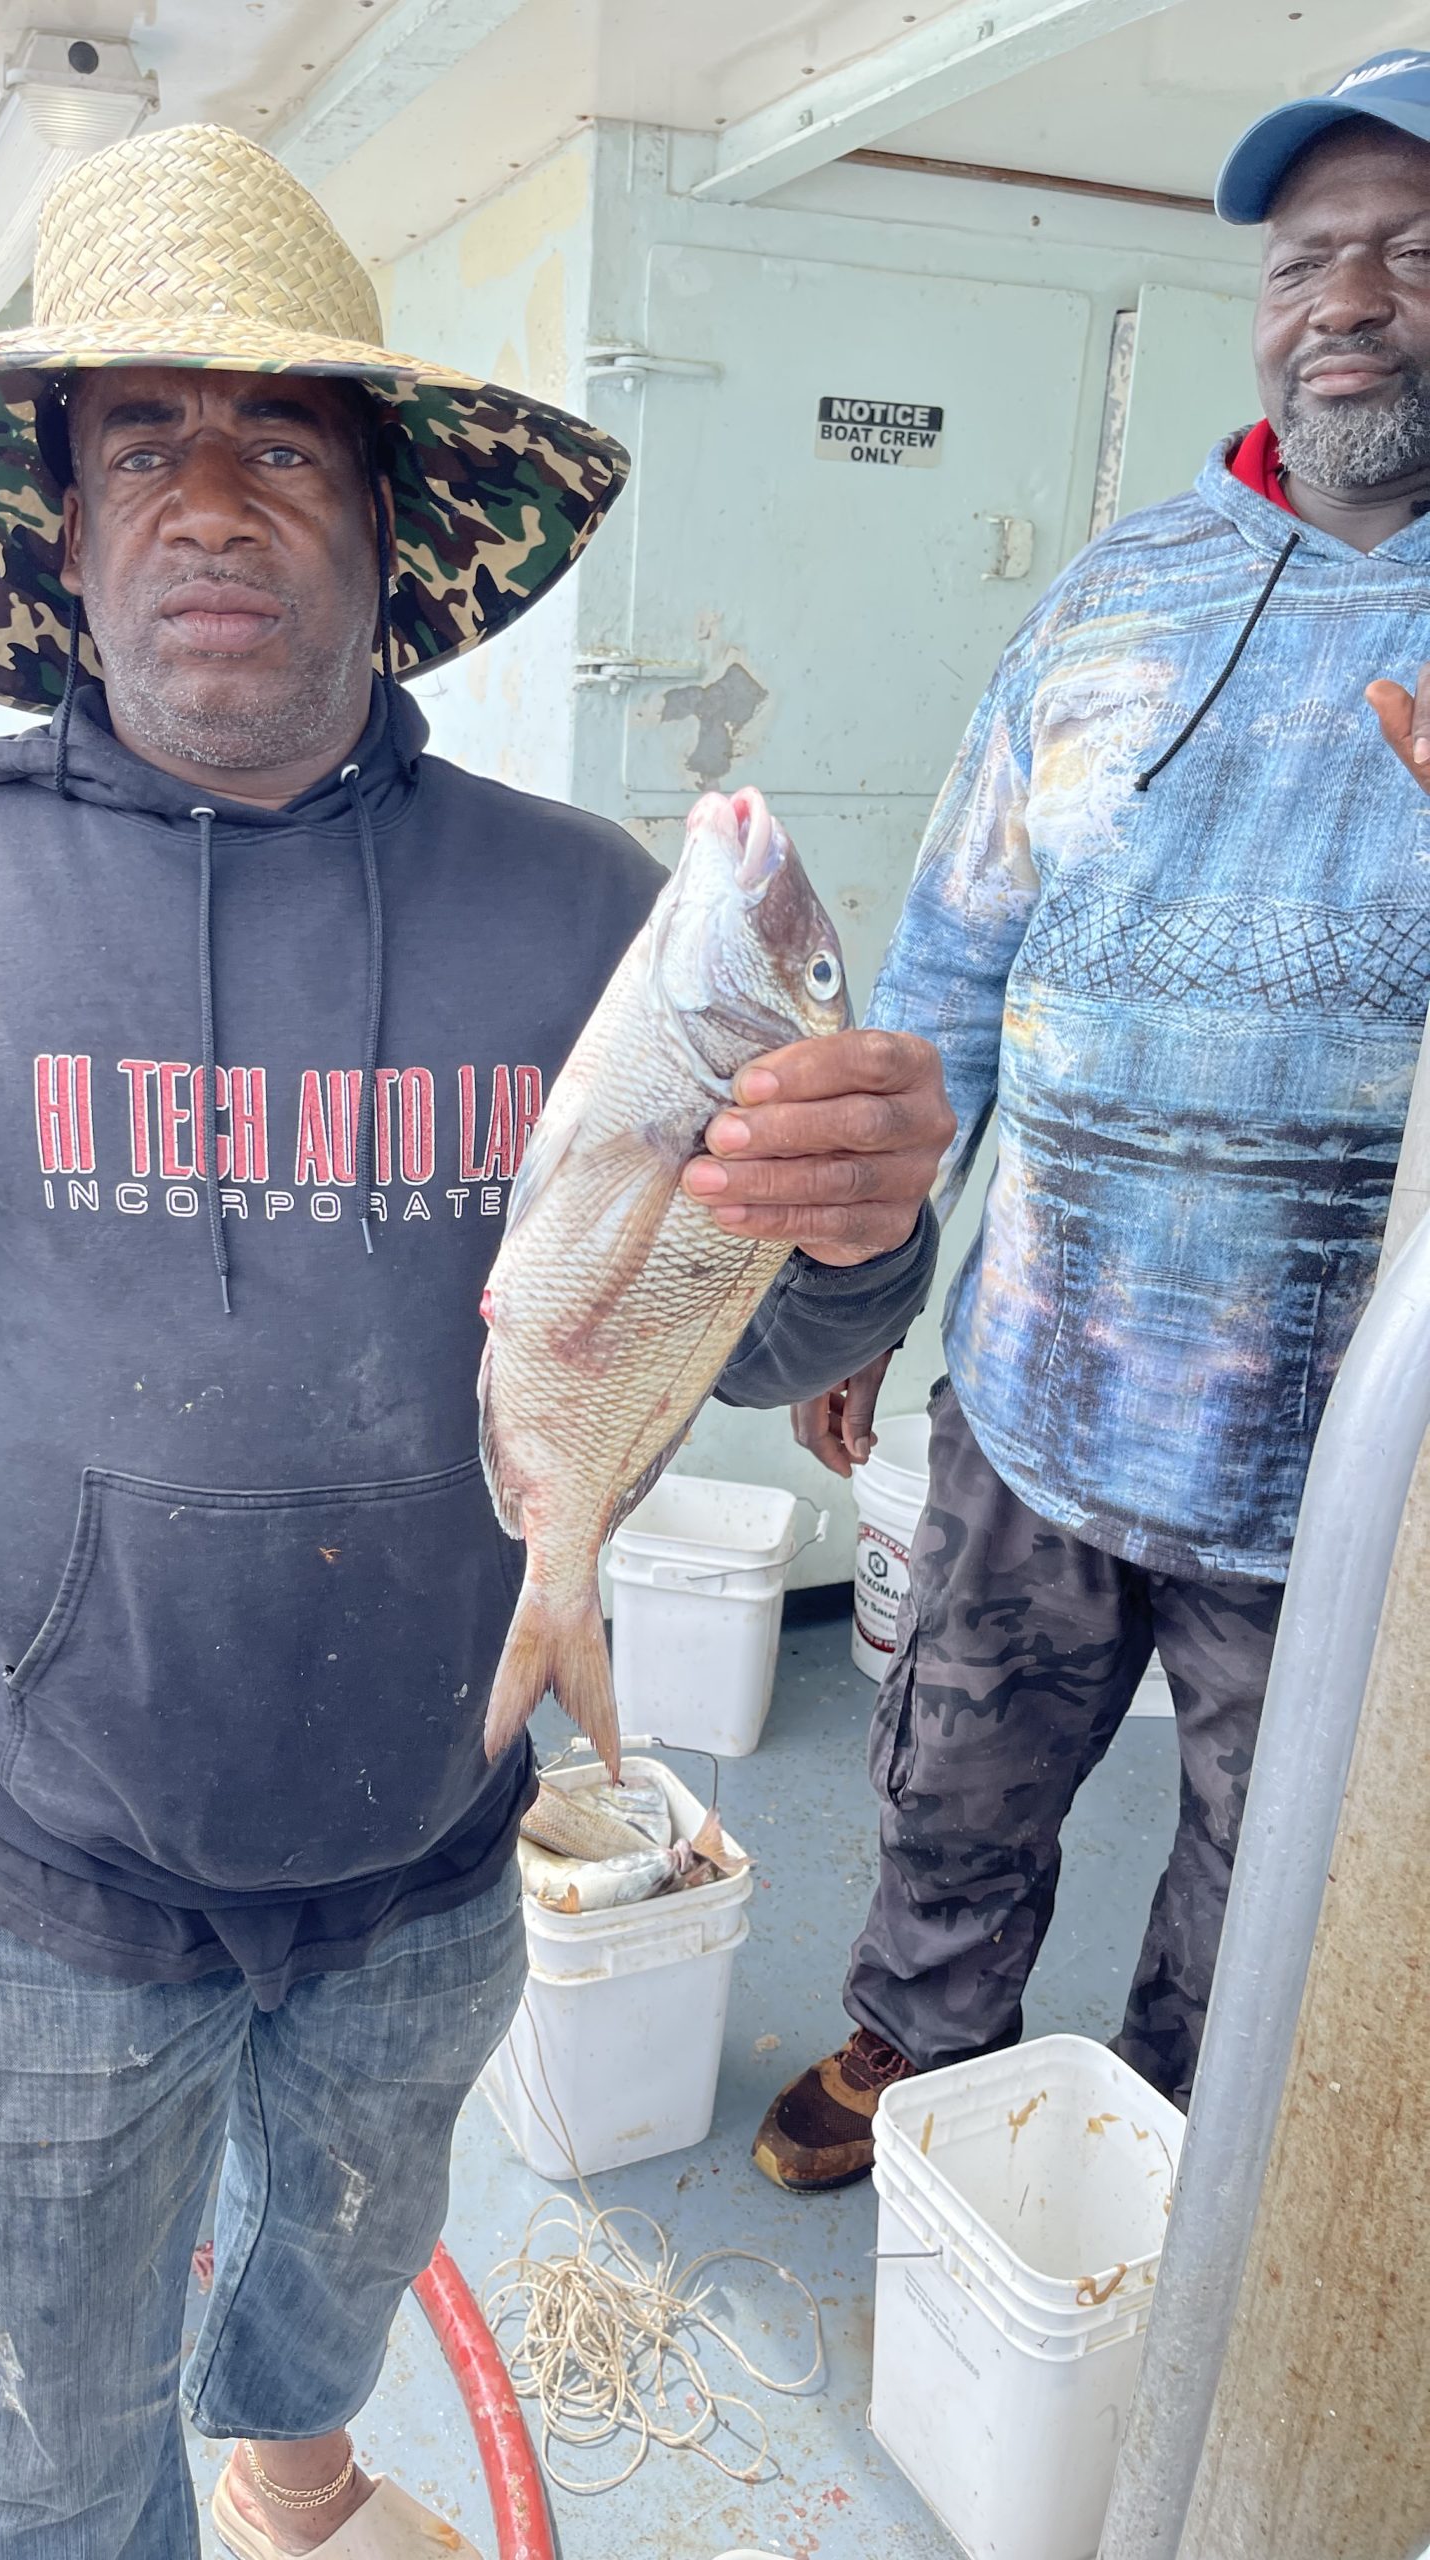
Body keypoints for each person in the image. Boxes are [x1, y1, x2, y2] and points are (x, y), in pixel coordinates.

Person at [0, 126, 952, 2560]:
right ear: (60, 528)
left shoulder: (592, 912)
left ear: (385, 521)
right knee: (40, 2457)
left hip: (435, 1844)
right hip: (63, 1870)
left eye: (284, 445)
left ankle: (298, 2459)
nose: (211, 501)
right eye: (143, 444)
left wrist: (866, 1226)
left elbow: (746, 1332)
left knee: (336, 2263)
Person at [753, 50, 1430, 2199]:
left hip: (1347, 1464)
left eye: (1415, 251)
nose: (1350, 299)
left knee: (1269, 1853)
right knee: (956, 1758)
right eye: (1307, 260)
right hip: (1038, 1384)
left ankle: (1157, 2155)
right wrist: (869, 1279)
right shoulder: (1111, 595)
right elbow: (954, 960)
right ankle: (916, 2030)